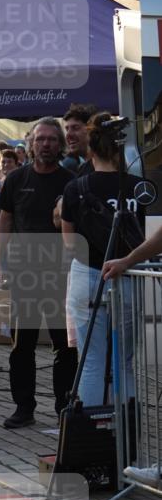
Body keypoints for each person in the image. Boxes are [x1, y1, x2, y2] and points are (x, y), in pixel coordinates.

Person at [0, 117, 77, 428]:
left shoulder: (71, 180)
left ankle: (63, 408)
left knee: (64, 346)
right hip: (24, 275)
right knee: (21, 345)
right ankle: (23, 407)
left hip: (61, 275)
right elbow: (5, 221)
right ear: (31, 143)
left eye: (52, 139)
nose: (46, 144)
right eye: (40, 139)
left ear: (60, 144)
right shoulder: (16, 180)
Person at [61, 112, 146, 406]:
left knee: (92, 361)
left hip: (88, 276)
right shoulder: (138, 186)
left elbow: (70, 244)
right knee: (124, 361)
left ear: (91, 149)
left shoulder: (75, 188)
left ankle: (97, 438)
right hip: (129, 275)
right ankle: (128, 436)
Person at [62, 103, 97, 175]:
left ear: (90, 129)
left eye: (75, 128)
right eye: (67, 129)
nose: (68, 135)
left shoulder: (106, 165)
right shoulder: (71, 164)